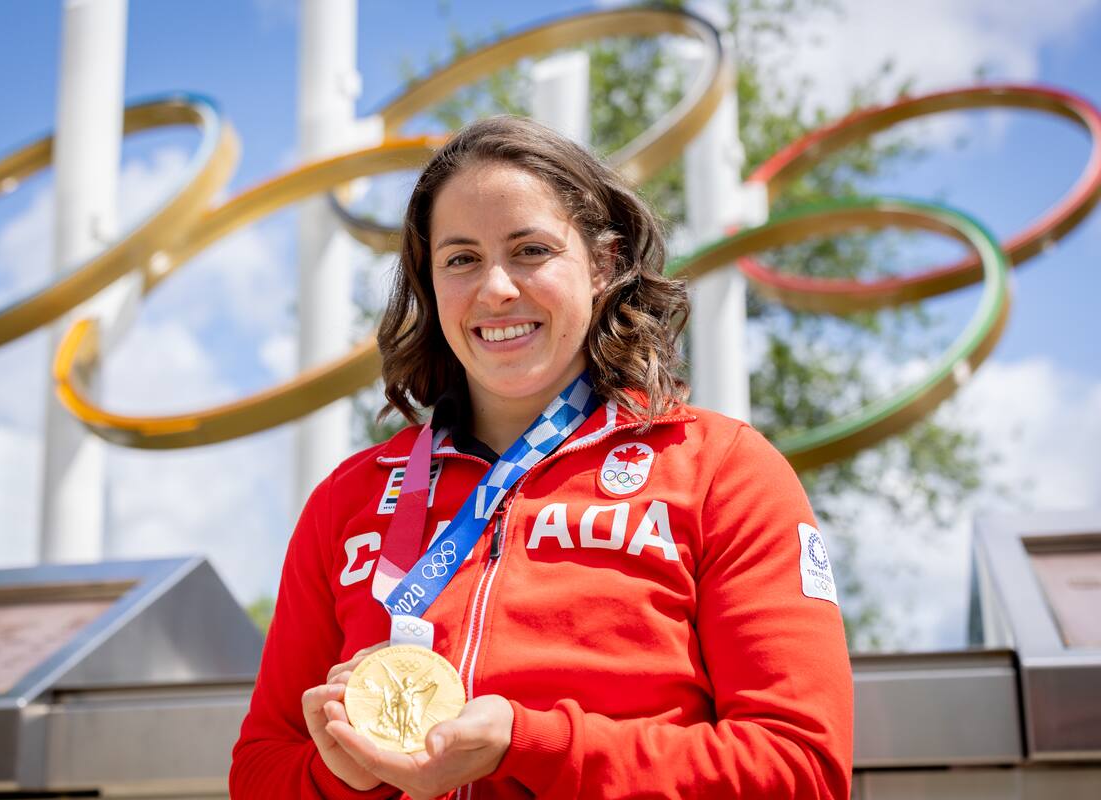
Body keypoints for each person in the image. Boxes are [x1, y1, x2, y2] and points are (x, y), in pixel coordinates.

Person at [230, 116, 854, 799]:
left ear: (603, 265)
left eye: (530, 250)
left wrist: (530, 744)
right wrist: (339, 775)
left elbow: (800, 770)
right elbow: (260, 769)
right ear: (430, 285)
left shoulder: (722, 470)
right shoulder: (348, 499)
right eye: (461, 258)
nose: (495, 288)